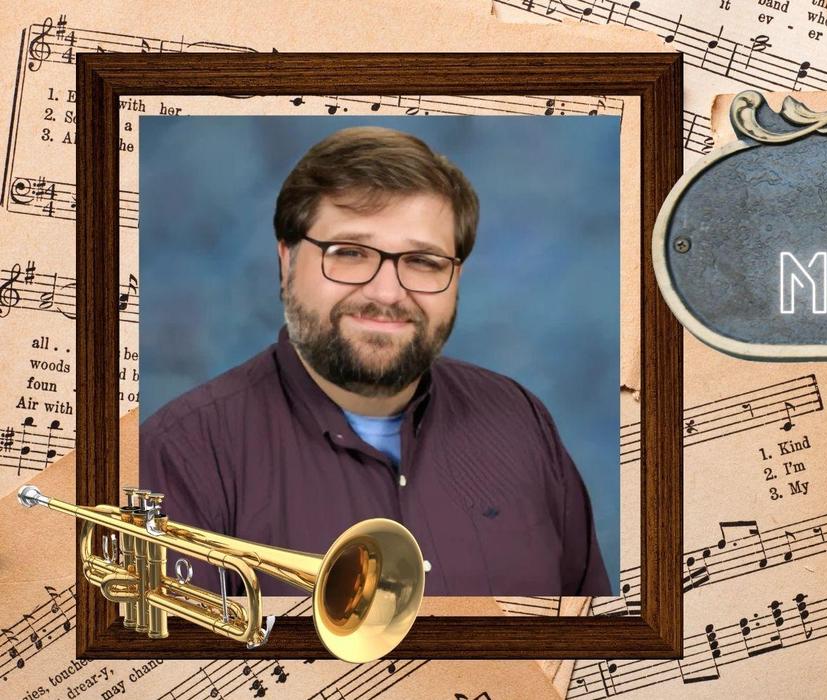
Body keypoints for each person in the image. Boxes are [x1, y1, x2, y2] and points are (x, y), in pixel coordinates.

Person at [141, 126, 611, 596]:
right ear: (286, 261)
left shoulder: (521, 421)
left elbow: (592, 648)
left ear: (456, 276)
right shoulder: (182, 454)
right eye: (349, 253)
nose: (386, 293)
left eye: (423, 261)